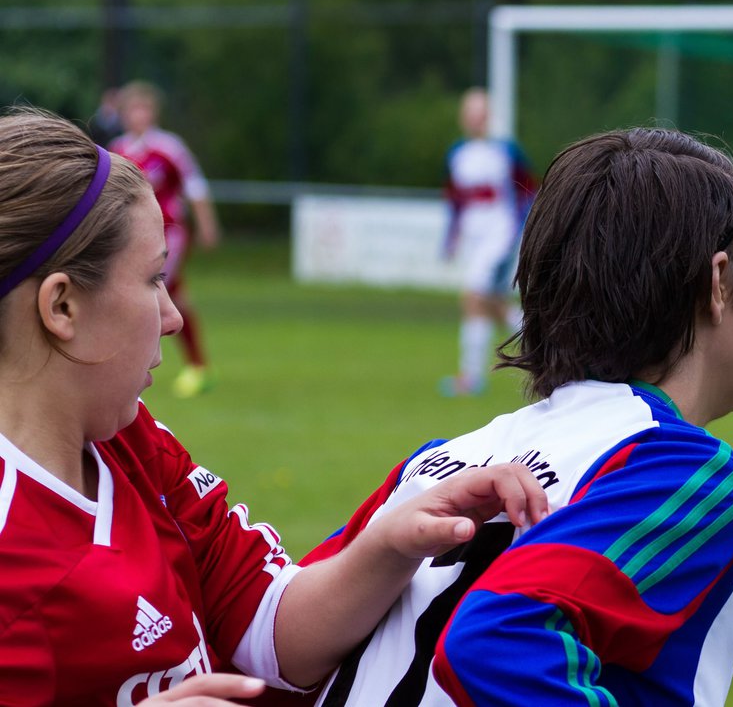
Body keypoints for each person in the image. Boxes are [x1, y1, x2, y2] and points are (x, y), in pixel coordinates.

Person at [0, 108, 549, 706]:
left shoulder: (132, 443)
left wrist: (390, 544)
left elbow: (266, 624)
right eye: (154, 279)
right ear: (62, 308)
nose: (173, 316)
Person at [302, 127, 733, 705]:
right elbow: (498, 640)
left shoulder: (432, 467)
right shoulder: (678, 468)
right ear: (719, 284)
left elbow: (278, 633)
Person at [108, 81, 220, 398]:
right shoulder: (119, 150)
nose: (138, 115)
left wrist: (207, 224)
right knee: (171, 294)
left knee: (155, 290)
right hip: (131, 236)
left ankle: (182, 367)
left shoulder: (169, 147)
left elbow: (195, 187)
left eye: (144, 108)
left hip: (169, 233)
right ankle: (198, 366)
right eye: (133, 109)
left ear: (153, 112)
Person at [439, 87, 538, 397]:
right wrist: (451, 237)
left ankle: (471, 377)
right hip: (474, 236)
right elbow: (456, 199)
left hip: (500, 234)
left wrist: (519, 230)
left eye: (480, 113)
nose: (475, 119)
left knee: (472, 297)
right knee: (490, 303)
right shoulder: (457, 153)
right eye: (470, 113)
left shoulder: (506, 150)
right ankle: (543, 347)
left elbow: (529, 189)